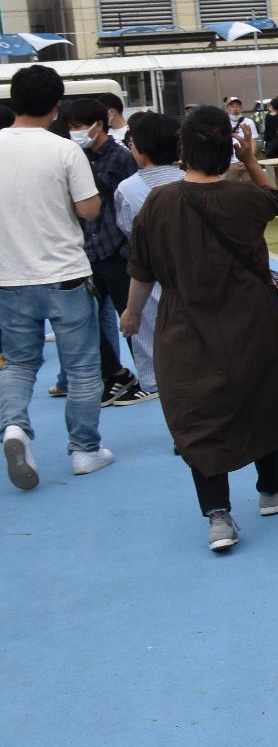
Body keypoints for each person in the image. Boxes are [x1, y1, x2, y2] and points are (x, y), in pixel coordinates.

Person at [123, 106, 278, 552]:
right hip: (253, 323)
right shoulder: (244, 199)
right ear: (228, 146)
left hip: (185, 327)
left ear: (184, 148)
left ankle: (218, 516)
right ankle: (269, 491)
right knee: (264, 400)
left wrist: (130, 316)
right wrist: (250, 161)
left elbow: (142, 272)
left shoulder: (158, 203)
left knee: (198, 415)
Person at [0, 65, 113, 490]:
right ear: (56, 106)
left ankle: (13, 428)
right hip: (65, 272)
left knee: (20, 362)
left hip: (9, 276)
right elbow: (89, 210)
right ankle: (84, 450)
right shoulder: (65, 150)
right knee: (83, 367)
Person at [61, 95, 142, 406]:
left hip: (118, 250)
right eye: (70, 127)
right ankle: (116, 374)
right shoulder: (81, 158)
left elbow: (129, 202)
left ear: (98, 125)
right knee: (87, 320)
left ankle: (149, 377)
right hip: (91, 250)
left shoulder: (120, 158)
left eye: (79, 126)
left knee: (132, 319)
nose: (75, 133)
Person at [113, 111, 184, 402]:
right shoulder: (190, 181)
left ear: (139, 150)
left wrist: (131, 310)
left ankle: (182, 432)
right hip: (197, 280)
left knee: (162, 360)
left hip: (153, 287)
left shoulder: (127, 189)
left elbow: (131, 239)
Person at [223, 97, 255, 180]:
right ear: (227, 108)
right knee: (230, 189)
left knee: (249, 188)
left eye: (237, 106)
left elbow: (253, 142)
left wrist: (249, 160)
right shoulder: (223, 123)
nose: (235, 109)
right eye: (232, 106)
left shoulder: (249, 122)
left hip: (246, 162)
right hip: (230, 163)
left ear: (241, 108)